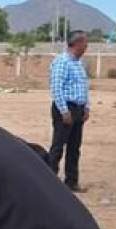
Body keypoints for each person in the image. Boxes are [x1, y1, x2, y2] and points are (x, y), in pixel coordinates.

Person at [48, 31, 90, 193]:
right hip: (65, 108)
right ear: (77, 44)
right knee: (58, 146)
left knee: (74, 148)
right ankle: (49, 181)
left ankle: (71, 182)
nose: (86, 47)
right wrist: (64, 111)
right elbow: (56, 87)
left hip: (78, 109)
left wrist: (86, 107)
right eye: (85, 44)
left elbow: (84, 86)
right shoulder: (62, 62)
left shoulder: (79, 64)